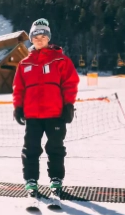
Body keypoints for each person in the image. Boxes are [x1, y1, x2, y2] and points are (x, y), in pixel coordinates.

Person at [12, 18, 79, 197]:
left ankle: (56, 180)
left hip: (55, 114)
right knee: (30, 149)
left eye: (43, 36)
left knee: (55, 148)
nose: (39, 39)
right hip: (32, 115)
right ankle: (31, 181)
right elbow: (19, 88)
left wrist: (69, 105)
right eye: (36, 36)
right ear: (31, 39)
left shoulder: (60, 60)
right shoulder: (25, 63)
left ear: (48, 38)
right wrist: (18, 107)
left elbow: (70, 83)